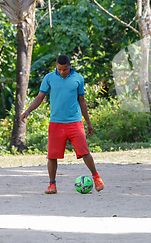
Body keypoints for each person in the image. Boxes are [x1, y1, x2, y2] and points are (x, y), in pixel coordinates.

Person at [20, 55, 104, 194]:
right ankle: (52, 185)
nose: (62, 72)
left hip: (75, 122)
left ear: (70, 66)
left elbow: (82, 101)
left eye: (65, 69)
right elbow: (40, 97)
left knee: (84, 152)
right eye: (59, 69)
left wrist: (88, 123)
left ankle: (97, 178)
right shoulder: (49, 78)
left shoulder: (78, 78)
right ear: (56, 66)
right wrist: (28, 111)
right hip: (56, 123)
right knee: (52, 156)